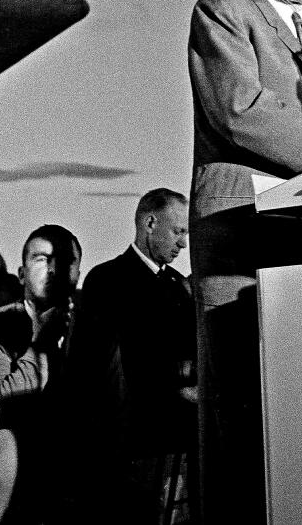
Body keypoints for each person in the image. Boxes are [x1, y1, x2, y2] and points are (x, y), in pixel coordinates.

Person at [187, 0, 302, 524]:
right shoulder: (224, 9)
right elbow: (240, 110)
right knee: (239, 409)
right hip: (242, 235)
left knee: (295, 412)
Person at [70, 188, 196, 523]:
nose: (183, 244)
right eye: (179, 231)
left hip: (173, 444)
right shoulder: (108, 280)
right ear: (150, 222)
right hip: (133, 448)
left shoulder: (176, 285)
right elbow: (111, 368)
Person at [0, 224, 81, 525]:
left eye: (64, 261)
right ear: (22, 274)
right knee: (5, 447)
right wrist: (42, 341)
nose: (52, 269)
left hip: (68, 468)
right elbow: (1, 411)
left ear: (76, 274)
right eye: (41, 259)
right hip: (4, 473)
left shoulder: (92, 330)